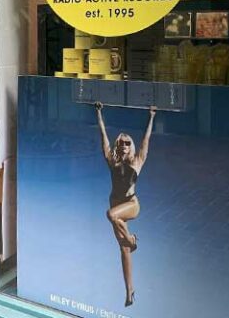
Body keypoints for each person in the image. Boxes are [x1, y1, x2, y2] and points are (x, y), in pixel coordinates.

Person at [95, 102, 157, 307]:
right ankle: (129, 291)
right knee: (123, 250)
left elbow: (146, 140)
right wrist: (99, 114)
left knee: (112, 216)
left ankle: (131, 240)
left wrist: (152, 117)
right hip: (115, 202)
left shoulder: (137, 161)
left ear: (131, 146)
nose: (123, 145)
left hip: (130, 205)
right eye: (121, 142)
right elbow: (103, 139)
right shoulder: (113, 161)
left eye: (127, 142)